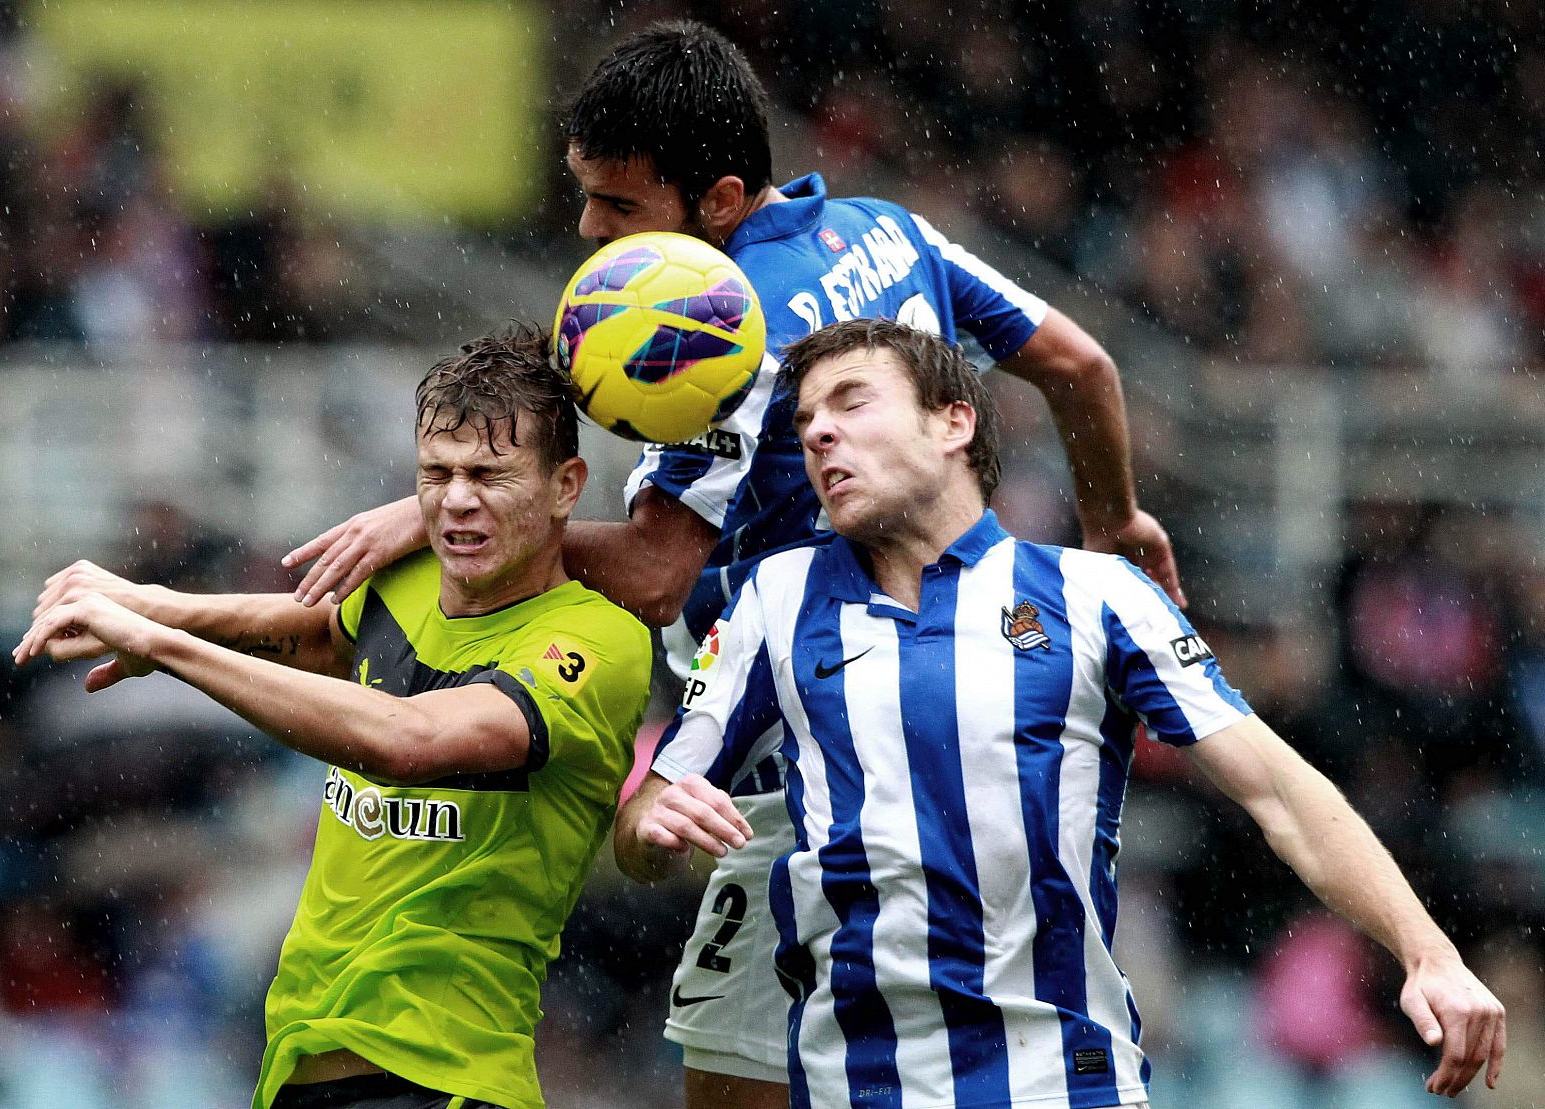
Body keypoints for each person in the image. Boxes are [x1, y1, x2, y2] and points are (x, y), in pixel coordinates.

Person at [282, 22, 1182, 1108]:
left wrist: (447, 514)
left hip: (794, 763)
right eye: (584, 194)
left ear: (714, 199)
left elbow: (660, 570)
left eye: (616, 205)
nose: (586, 227)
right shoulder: (885, 230)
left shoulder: (710, 328)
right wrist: (1116, 517)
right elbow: (1081, 366)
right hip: (946, 739)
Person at [617, 317, 1507, 1109]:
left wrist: (1428, 950)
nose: (818, 432)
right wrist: (651, 825)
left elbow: (1279, 789)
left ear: (952, 422)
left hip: (1065, 1080)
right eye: (807, 421)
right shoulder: (776, 596)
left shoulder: (1097, 593)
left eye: (851, 402)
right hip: (855, 1083)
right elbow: (647, 816)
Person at [14, 326, 652, 1109]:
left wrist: (166, 642)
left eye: (490, 473)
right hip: (297, 1060)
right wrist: (162, 606)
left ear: (566, 485)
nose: (456, 499)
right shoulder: (405, 581)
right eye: (437, 472)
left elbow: (409, 740)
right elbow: (317, 634)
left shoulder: (598, 641)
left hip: (447, 1078)